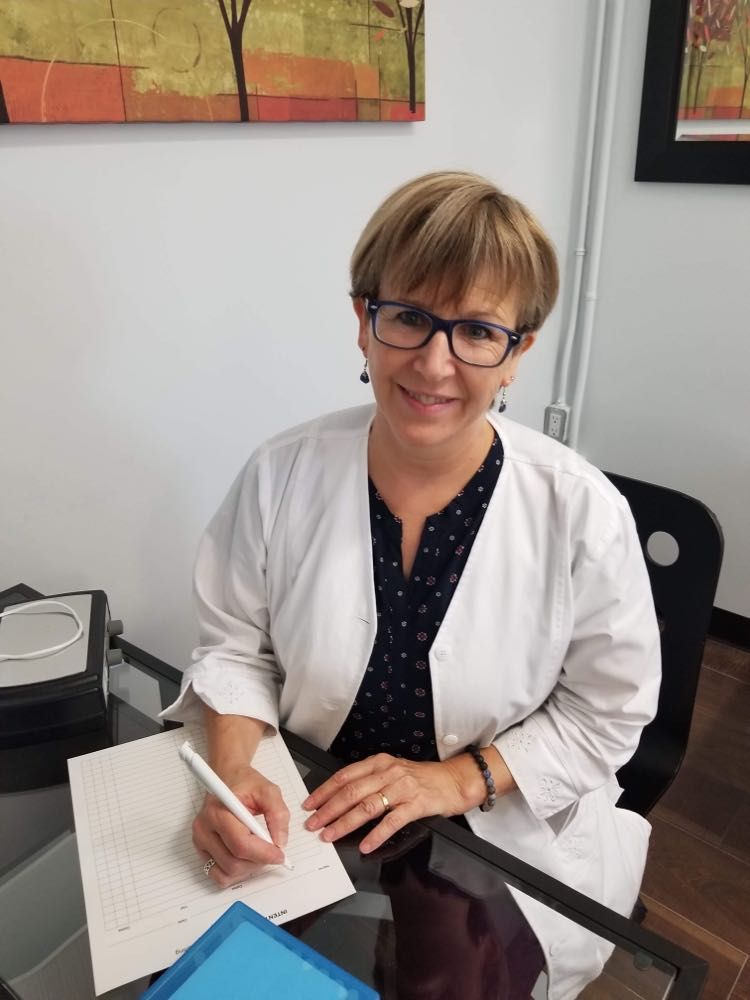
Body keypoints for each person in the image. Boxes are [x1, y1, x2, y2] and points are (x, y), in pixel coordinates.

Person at [162, 171, 661, 999]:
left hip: (487, 824)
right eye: (409, 319)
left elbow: (607, 711)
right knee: (209, 974)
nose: (435, 363)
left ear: (518, 353)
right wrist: (236, 768)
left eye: (478, 332)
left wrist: (458, 778)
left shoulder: (582, 512)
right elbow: (236, 648)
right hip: (308, 795)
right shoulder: (281, 474)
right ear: (365, 321)